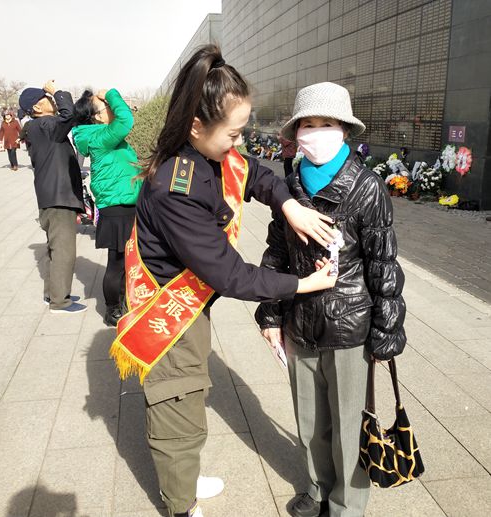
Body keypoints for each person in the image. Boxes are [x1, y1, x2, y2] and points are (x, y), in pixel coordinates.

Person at [109, 45, 340, 517]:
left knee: (192, 395)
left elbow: (256, 175)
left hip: (192, 306)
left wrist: (288, 205)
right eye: (233, 134)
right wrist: (301, 285)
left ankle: (184, 479)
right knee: (178, 404)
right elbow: (230, 273)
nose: (238, 144)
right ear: (197, 126)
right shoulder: (175, 188)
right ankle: (181, 505)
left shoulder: (212, 154)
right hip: (168, 314)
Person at [255, 82, 407, 517]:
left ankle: (346, 505)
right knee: (309, 420)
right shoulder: (288, 187)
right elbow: (277, 252)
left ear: (343, 130)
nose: (316, 132)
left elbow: (383, 263)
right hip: (299, 320)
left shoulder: (367, 187)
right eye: (308, 124)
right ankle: (317, 488)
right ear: (297, 132)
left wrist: (386, 331)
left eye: (327, 123)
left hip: (350, 327)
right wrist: (270, 314)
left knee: (347, 424)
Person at [72, 88, 142, 326]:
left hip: (124, 204)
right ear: (97, 117)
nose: (111, 108)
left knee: (127, 260)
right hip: (117, 207)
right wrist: (111, 93)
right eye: (106, 106)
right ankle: (113, 309)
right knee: (118, 262)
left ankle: (126, 301)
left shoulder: (102, 135)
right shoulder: (101, 137)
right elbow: (126, 120)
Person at [19, 80, 87, 313]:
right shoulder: (46, 124)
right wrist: (57, 92)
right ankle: (60, 301)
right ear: (37, 108)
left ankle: (53, 293)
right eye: (46, 98)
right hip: (59, 198)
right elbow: (69, 115)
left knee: (54, 249)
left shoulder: (37, 127)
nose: (51, 100)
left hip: (51, 197)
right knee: (64, 251)